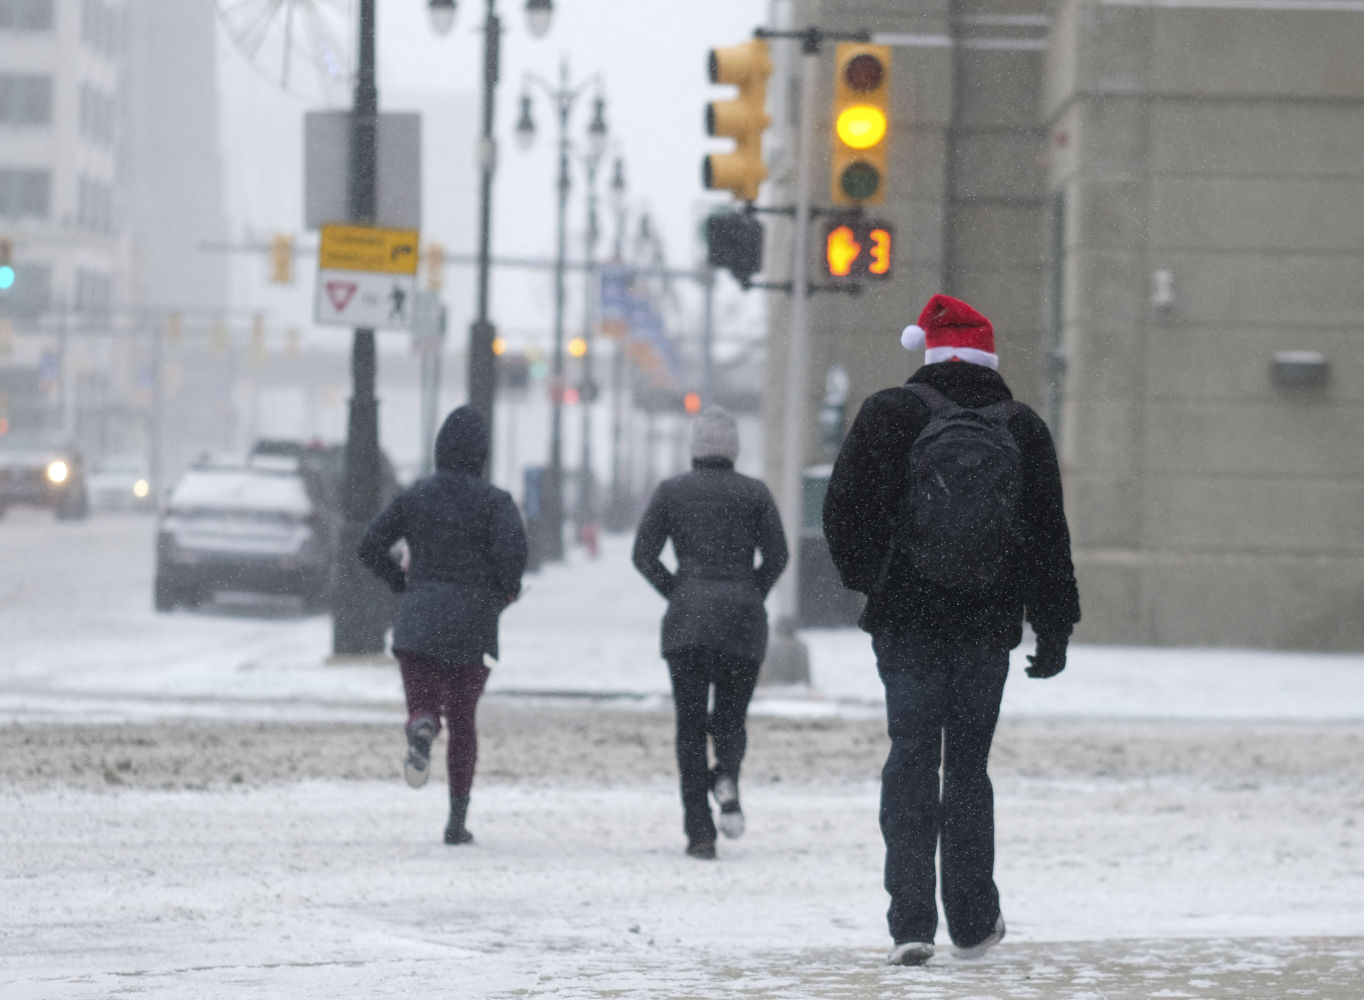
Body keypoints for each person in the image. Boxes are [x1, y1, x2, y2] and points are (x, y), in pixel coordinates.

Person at [822, 294, 1081, 965]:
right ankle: (971, 918)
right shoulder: (1022, 427)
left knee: (910, 758)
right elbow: (1050, 537)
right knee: (967, 767)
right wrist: (1052, 629)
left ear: (930, 353)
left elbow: (840, 508)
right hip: (986, 623)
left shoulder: (888, 414)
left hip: (906, 621)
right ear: (990, 360)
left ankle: (910, 920)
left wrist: (874, 577)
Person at [357, 406, 527, 845]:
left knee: (423, 702)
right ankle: (457, 820)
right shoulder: (496, 503)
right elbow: (514, 560)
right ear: (482, 455)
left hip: (418, 621)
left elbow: (370, 544)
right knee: (464, 722)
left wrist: (403, 583)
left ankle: (421, 725)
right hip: (471, 627)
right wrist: (498, 595)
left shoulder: (415, 497)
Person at [632, 408, 788, 860]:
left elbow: (643, 554)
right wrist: (750, 591)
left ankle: (700, 832)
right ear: (733, 450)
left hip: (688, 625)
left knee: (690, 727)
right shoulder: (755, 494)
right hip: (742, 623)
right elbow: (777, 556)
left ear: (695, 448)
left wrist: (679, 592)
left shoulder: (671, 492)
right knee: (731, 718)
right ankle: (727, 775)